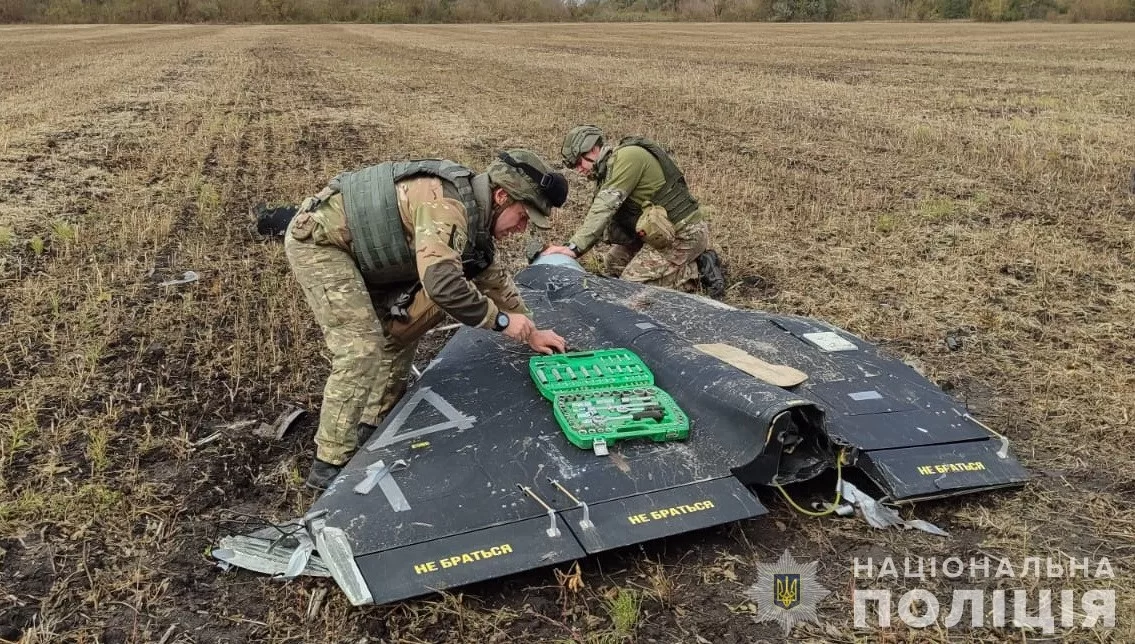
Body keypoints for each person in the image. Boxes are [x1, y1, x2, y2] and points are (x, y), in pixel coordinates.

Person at [283, 149, 569, 490]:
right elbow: (443, 284)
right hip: (324, 243)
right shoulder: (447, 206)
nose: (521, 229)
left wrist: (530, 330)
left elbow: (491, 278)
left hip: (374, 258)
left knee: (403, 327)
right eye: (522, 217)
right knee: (362, 346)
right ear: (501, 196)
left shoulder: (476, 218)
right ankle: (329, 463)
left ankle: (371, 423)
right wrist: (503, 323)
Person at [541, 125, 725, 297]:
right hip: (657, 235)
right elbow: (601, 220)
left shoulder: (628, 158)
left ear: (592, 149)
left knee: (631, 289)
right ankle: (677, 267)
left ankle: (697, 271)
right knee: (613, 263)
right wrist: (569, 248)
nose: (578, 170)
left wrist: (573, 248)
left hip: (683, 233)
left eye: (578, 162)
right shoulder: (610, 171)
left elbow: (604, 208)